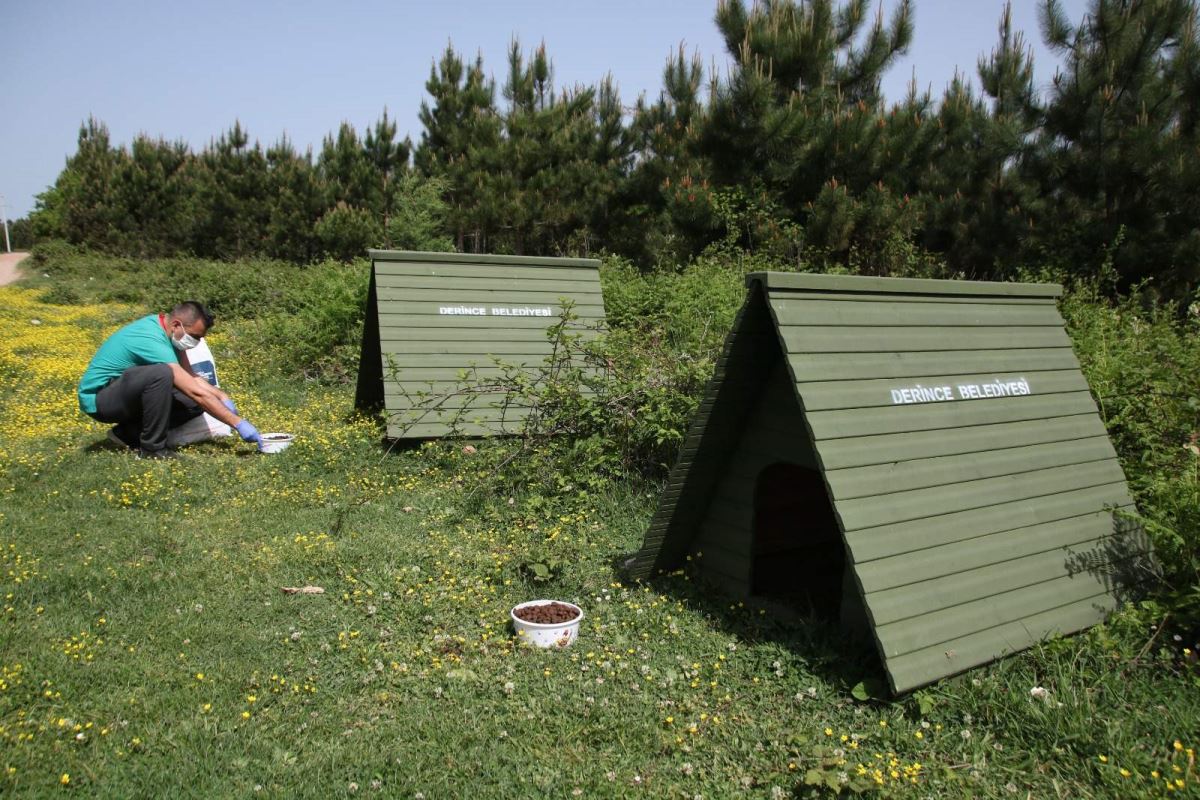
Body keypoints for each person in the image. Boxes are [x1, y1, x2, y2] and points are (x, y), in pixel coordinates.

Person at [77, 301, 264, 459]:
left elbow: (190, 377)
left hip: (124, 394)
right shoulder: (150, 338)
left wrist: (221, 396)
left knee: (193, 402)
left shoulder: (171, 335)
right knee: (162, 374)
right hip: (100, 399)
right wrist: (237, 423)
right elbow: (194, 390)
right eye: (195, 336)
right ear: (176, 325)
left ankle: (127, 434)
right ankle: (152, 449)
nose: (197, 342)